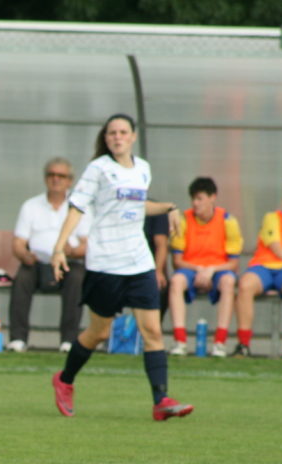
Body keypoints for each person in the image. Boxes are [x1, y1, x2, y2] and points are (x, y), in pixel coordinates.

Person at [49, 113, 193, 421]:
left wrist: (169, 207)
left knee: (152, 331)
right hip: (105, 263)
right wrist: (59, 248)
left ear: (132, 137)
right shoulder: (98, 169)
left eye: (123, 132)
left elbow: (138, 206)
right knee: (99, 332)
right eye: (112, 132)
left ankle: (161, 400)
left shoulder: (143, 168)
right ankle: (64, 380)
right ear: (106, 138)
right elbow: (77, 207)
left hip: (139, 262)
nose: (117, 137)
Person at [8, 157, 90, 353]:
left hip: (68, 263)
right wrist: (24, 255)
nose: (56, 179)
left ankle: (69, 340)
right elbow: (18, 243)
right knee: (22, 277)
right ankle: (17, 339)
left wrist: (72, 251)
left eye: (61, 176)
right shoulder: (30, 206)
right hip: (37, 263)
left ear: (70, 181)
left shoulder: (80, 206)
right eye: (51, 175)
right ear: (45, 178)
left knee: (78, 278)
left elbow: (88, 245)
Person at [167, 177, 242, 357]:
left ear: (212, 197)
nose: (195, 203)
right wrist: (199, 270)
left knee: (228, 281)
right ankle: (180, 341)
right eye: (193, 198)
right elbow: (177, 261)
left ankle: (220, 343)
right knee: (176, 281)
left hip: (218, 269)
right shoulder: (183, 220)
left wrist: (211, 270)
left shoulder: (228, 221)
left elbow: (233, 264)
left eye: (200, 198)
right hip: (191, 269)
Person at [231, 178, 282, 358]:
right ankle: (243, 345)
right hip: (264, 267)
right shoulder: (272, 218)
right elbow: (276, 247)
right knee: (245, 285)